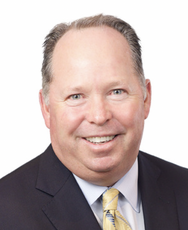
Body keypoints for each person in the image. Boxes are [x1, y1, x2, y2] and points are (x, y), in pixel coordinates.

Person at [0, 14, 188, 230]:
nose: (99, 117)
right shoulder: (4, 212)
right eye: (76, 96)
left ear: (146, 98)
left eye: (117, 91)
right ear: (47, 108)